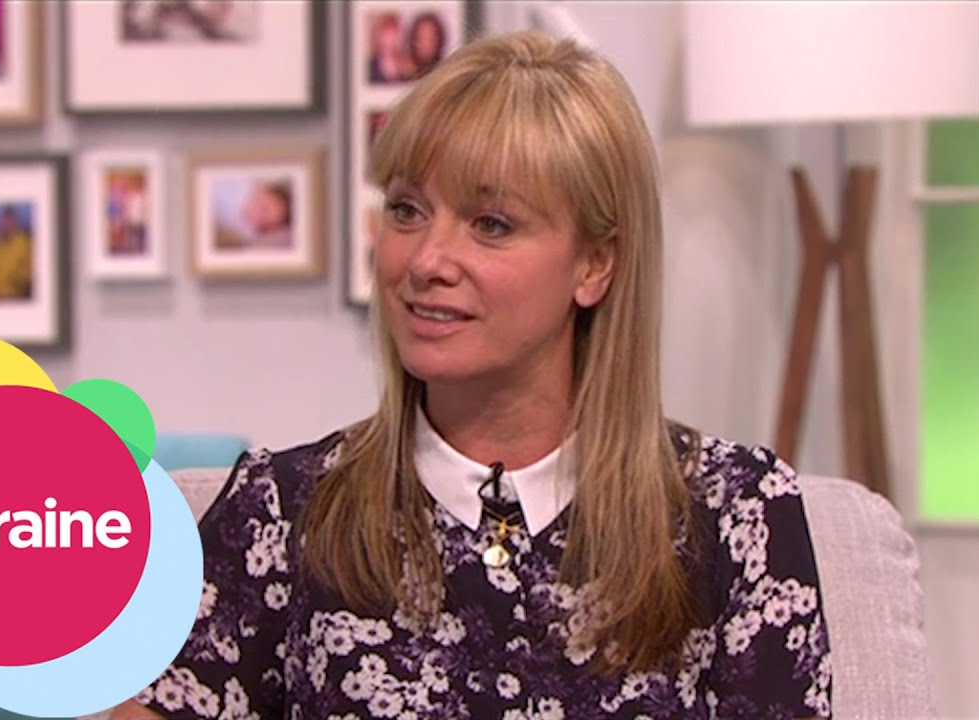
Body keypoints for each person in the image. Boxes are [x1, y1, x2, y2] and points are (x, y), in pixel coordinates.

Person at [115, 30, 831, 719]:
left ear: (595, 265)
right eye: (406, 210)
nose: (426, 260)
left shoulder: (737, 515)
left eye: (491, 224)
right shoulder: (280, 512)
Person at [0, 204, 31, 301]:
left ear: (15, 222)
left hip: (12, 299)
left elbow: (27, 277)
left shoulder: (25, 244)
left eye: (9, 220)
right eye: (2, 220)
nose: (5, 224)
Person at [406, 11, 448, 79]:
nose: (427, 43)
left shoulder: (447, 71)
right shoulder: (404, 74)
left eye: (431, 37)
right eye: (422, 37)